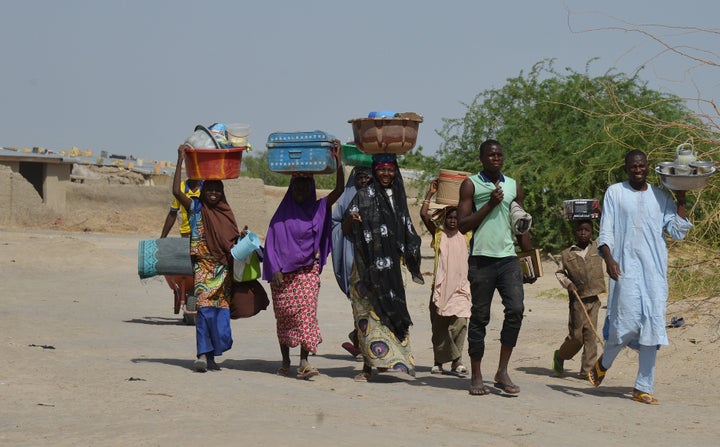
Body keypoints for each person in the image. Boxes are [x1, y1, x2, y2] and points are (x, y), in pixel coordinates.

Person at [588, 149, 691, 405]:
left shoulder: (660, 196)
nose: (638, 170)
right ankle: (606, 360)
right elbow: (606, 232)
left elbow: (677, 232)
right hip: (624, 270)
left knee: (652, 329)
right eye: (633, 166)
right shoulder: (615, 192)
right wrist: (609, 259)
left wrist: (680, 199)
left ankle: (643, 387)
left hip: (654, 273)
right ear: (626, 168)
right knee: (627, 324)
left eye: (642, 166)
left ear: (648, 168)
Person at [457, 139, 534, 396]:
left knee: (516, 309)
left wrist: (529, 260)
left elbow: (521, 223)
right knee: (480, 317)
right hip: (481, 258)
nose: (496, 158)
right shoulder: (471, 184)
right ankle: (477, 374)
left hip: (508, 258)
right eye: (491, 155)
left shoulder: (513, 185)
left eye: (500, 154)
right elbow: (463, 225)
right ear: (481, 158)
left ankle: (502, 371)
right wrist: (489, 204)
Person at [263, 143, 344, 380]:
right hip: (282, 274)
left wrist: (339, 162)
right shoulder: (281, 214)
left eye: (305, 186)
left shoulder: (319, 209)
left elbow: (339, 190)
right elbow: (271, 243)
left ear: (311, 188)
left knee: (307, 314)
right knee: (285, 317)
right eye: (296, 186)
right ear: (291, 188)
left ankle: (304, 361)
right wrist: (275, 268)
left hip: (307, 272)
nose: (300, 191)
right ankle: (286, 359)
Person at [343, 153, 424, 382]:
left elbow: (407, 226)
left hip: (391, 270)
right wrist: (353, 218)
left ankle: (394, 360)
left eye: (390, 170)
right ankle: (368, 367)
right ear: (374, 171)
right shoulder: (364, 195)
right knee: (367, 317)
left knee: (392, 311)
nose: (386, 174)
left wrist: (411, 250)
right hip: (366, 268)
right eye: (381, 170)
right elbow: (347, 228)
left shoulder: (398, 197)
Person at [172, 145, 241, 372]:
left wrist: (241, 239)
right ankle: (202, 354)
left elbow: (232, 241)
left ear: (222, 192)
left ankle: (212, 355)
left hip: (223, 271)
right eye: (209, 189)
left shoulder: (226, 213)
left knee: (220, 316)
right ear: (202, 192)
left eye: (216, 189)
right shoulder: (195, 209)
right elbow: (176, 192)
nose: (212, 193)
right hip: (202, 267)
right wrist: (180, 160)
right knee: (203, 311)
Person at [419, 178, 471, 376]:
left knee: (460, 324)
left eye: (456, 218)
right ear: (444, 218)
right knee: (439, 326)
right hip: (440, 286)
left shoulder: (467, 236)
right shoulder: (438, 235)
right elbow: (424, 215)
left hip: (461, 287)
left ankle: (457, 362)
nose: (452, 220)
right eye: (449, 217)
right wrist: (431, 193)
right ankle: (438, 362)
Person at [552, 219, 605, 380]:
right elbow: (560, 273)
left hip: (593, 299)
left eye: (587, 230)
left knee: (590, 336)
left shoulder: (598, 248)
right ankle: (560, 355)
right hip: (577, 300)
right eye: (580, 230)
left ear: (591, 233)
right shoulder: (567, 254)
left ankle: (587, 371)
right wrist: (568, 284)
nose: (583, 233)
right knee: (576, 337)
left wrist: (601, 214)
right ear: (575, 232)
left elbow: (608, 231)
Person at [331, 165, 372, 360]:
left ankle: (358, 337)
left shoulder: (377, 198)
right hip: (353, 257)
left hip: (373, 259)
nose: (363, 181)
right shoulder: (347, 198)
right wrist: (350, 220)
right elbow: (336, 227)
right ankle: (361, 341)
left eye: (367, 177)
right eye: (360, 177)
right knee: (358, 301)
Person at [160, 178, 202, 318]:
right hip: (186, 235)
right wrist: (162, 238)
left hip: (203, 235)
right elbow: (173, 213)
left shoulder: (206, 187)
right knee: (188, 269)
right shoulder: (182, 187)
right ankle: (188, 294)